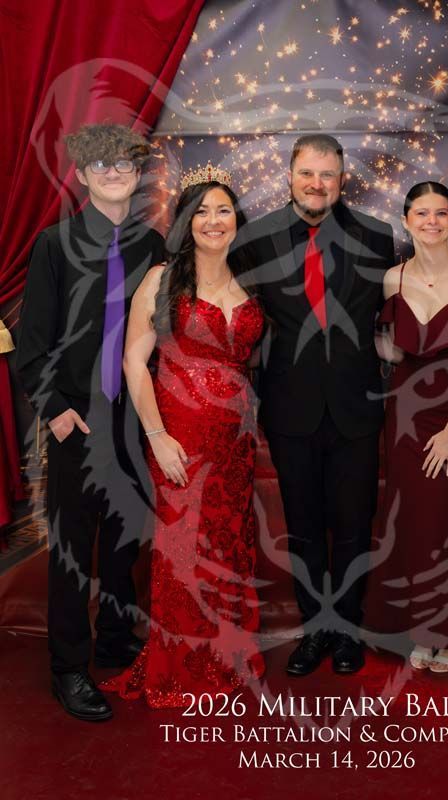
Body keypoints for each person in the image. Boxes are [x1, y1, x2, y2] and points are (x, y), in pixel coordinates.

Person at [16, 123, 165, 721]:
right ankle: (69, 666)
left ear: (136, 175)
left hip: (132, 417)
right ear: (81, 174)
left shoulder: (152, 246)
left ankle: (116, 637)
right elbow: (32, 344)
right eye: (100, 165)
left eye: (124, 164)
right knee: (74, 548)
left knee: (127, 538)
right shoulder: (54, 244)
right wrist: (54, 411)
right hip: (76, 418)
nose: (112, 172)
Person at [100, 169, 265, 708]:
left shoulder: (250, 281)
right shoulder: (162, 278)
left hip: (236, 440)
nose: (213, 221)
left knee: (230, 546)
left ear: (236, 220)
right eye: (202, 212)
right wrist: (158, 435)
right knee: (182, 549)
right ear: (186, 222)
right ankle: (182, 669)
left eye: (222, 211)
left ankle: (228, 659)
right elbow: (133, 362)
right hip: (180, 434)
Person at [237, 134, 395, 675]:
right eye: (308, 172)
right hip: (289, 408)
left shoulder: (376, 235)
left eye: (327, 174)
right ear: (290, 174)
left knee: (353, 526)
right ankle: (314, 632)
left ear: (342, 176)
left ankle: (346, 633)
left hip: (356, 407)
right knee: (303, 527)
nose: (317, 184)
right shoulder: (255, 237)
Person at [374, 181, 448, 672]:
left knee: (438, 521)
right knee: (408, 520)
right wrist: (383, 348)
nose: (431, 221)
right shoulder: (392, 279)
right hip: (401, 411)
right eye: (421, 213)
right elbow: (394, 349)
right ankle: (424, 629)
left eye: (441, 213)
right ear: (406, 221)